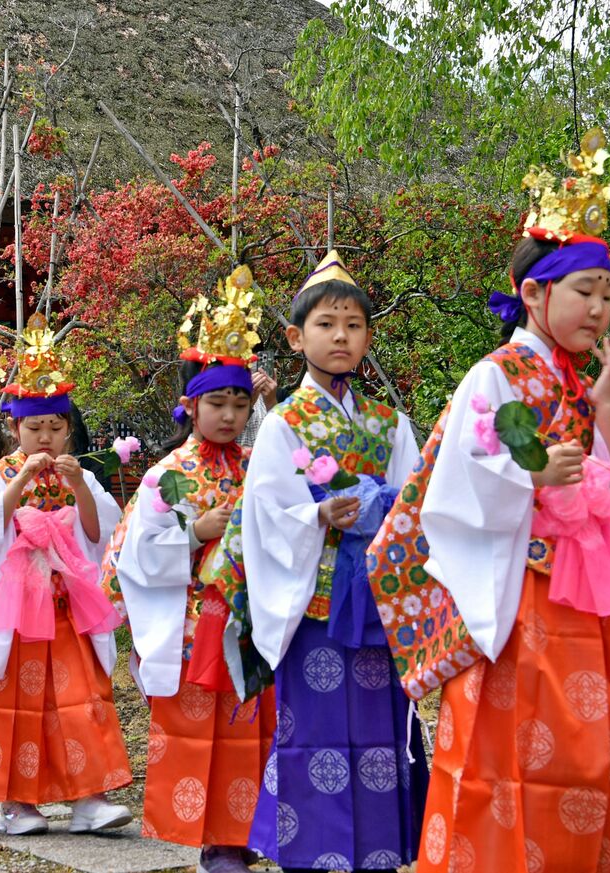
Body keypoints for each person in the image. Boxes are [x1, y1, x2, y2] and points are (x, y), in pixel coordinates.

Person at [369, 133, 610, 872]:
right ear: (534, 293)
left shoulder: (580, 381)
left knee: (598, 751)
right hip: (518, 602)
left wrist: (604, 413)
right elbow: (452, 485)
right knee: (505, 761)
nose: (599, 308)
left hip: (583, 600)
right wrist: (530, 480)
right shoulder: (493, 375)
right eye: (583, 291)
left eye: (607, 293)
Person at [218, 251, 429, 873]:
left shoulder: (391, 425)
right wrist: (315, 515)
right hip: (314, 602)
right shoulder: (285, 423)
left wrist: (379, 508)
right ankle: (310, 854)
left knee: (380, 733)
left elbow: (415, 501)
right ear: (295, 336)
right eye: (326, 324)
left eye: (355, 325)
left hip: (376, 600)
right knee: (311, 732)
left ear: (368, 335)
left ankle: (381, 854)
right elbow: (264, 512)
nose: (341, 336)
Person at [104, 267, 274, 873]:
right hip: (193, 621)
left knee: (252, 725)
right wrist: (194, 532)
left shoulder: (261, 463)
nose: (229, 415)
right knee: (203, 730)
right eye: (217, 403)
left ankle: (249, 833)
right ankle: (210, 841)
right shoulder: (168, 474)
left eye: (239, 403)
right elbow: (135, 551)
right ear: (191, 406)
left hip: (253, 618)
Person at [0, 313, 132, 836]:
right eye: (33, 428)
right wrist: (19, 480)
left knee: (79, 699)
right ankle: (17, 803)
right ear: (14, 429)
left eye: (55, 427)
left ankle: (89, 798)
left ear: (70, 429)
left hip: (66, 606)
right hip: (15, 611)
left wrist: (84, 490)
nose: (45, 436)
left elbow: (101, 536)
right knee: (14, 705)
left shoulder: (82, 473)